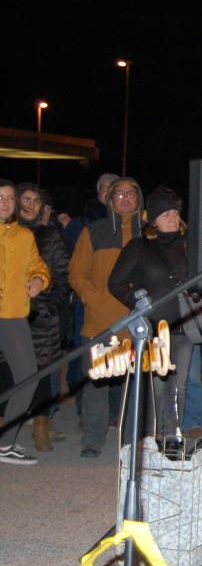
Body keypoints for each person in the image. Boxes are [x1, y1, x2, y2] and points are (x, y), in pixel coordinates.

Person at [107, 187, 195, 442]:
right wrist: (138, 304)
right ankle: (153, 437)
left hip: (184, 327)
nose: (172, 217)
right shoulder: (139, 247)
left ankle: (171, 436)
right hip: (154, 328)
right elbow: (116, 283)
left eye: (175, 212)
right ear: (153, 219)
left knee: (179, 387)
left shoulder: (189, 246)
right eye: (166, 213)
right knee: (158, 385)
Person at [69, 176, 143, 457]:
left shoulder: (147, 233)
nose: (124, 198)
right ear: (110, 200)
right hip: (101, 321)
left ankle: (133, 440)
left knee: (136, 383)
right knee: (97, 383)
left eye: (130, 193)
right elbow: (77, 273)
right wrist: (94, 298)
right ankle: (92, 439)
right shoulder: (94, 231)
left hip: (138, 321)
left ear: (139, 199)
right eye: (118, 194)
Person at [0, 180, 51, 465]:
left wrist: (38, 280)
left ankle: (5, 443)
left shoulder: (23, 236)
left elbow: (39, 266)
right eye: (0, 198)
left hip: (13, 316)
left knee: (28, 377)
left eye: (9, 198)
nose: (5, 203)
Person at [17, 183, 71, 452]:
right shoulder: (6, 232)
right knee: (8, 374)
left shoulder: (51, 236)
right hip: (9, 314)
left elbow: (62, 276)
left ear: (42, 207)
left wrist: (49, 305)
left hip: (41, 316)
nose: (30, 205)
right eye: (25, 199)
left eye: (35, 201)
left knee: (41, 374)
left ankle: (41, 427)